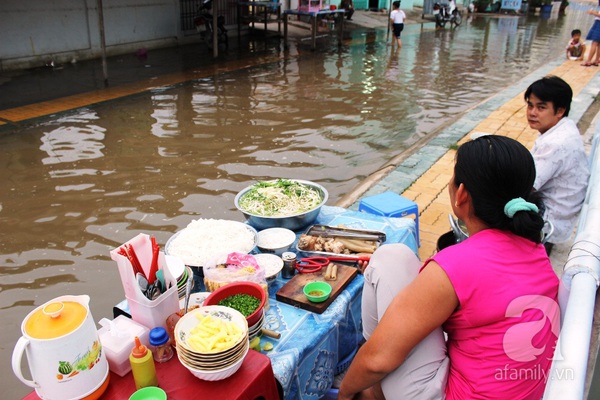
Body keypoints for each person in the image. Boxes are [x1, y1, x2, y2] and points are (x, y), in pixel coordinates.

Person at [338, 135, 560, 400]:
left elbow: (378, 361)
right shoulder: (537, 251)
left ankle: (369, 386)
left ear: (462, 194)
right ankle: (375, 385)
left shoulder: (456, 263)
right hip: (522, 390)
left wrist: (345, 394)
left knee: (389, 258)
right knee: (401, 269)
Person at [525, 76, 590, 254]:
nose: (532, 112)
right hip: (560, 215)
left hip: (549, 223)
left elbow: (526, 185)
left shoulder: (555, 143)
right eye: (530, 105)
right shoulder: (564, 127)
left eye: (541, 107)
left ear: (560, 111)